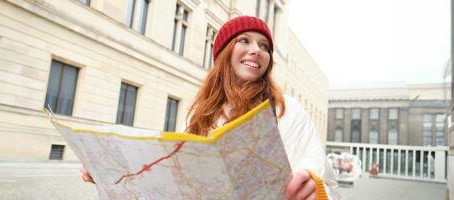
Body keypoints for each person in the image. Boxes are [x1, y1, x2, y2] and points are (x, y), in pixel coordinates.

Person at [82, 15, 339, 200]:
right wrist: (112, 174)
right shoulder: (200, 114)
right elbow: (172, 180)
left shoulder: (287, 110)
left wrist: (313, 191)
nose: (256, 50)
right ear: (224, 52)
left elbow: (326, 183)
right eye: (244, 41)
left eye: (264, 47)